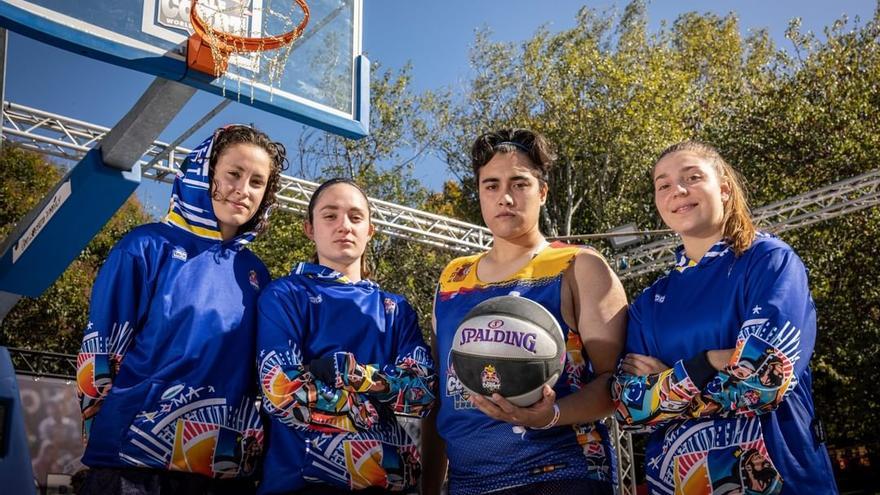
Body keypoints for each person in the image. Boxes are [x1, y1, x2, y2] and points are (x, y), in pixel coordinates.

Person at [613, 140, 837, 494]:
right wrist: (713, 361)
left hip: (782, 480)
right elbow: (629, 407)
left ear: (725, 190)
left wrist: (670, 383)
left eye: (692, 177)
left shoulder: (769, 261)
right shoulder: (648, 303)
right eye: (664, 184)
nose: (678, 191)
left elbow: (765, 381)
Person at [75, 125, 287, 494]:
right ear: (205, 173)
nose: (243, 190)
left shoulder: (256, 273)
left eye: (257, 182)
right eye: (233, 174)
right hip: (134, 466)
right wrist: (105, 435)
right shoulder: (146, 247)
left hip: (222, 471)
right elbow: (100, 352)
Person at [422, 129, 628, 495]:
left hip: (559, 474)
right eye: (491, 185)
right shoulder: (453, 277)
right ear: (480, 194)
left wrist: (550, 414)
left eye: (519, 183)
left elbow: (618, 384)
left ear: (543, 192)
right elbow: (438, 395)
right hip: (468, 484)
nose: (505, 197)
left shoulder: (577, 264)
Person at [256, 178, 437, 494]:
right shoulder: (285, 295)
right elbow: (284, 392)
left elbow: (422, 392)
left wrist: (359, 378)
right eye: (330, 215)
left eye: (356, 217)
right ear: (309, 229)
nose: (344, 226)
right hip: (303, 485)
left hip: (390, 483)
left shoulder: (395, 308)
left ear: (370, 231)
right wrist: (381, 396)